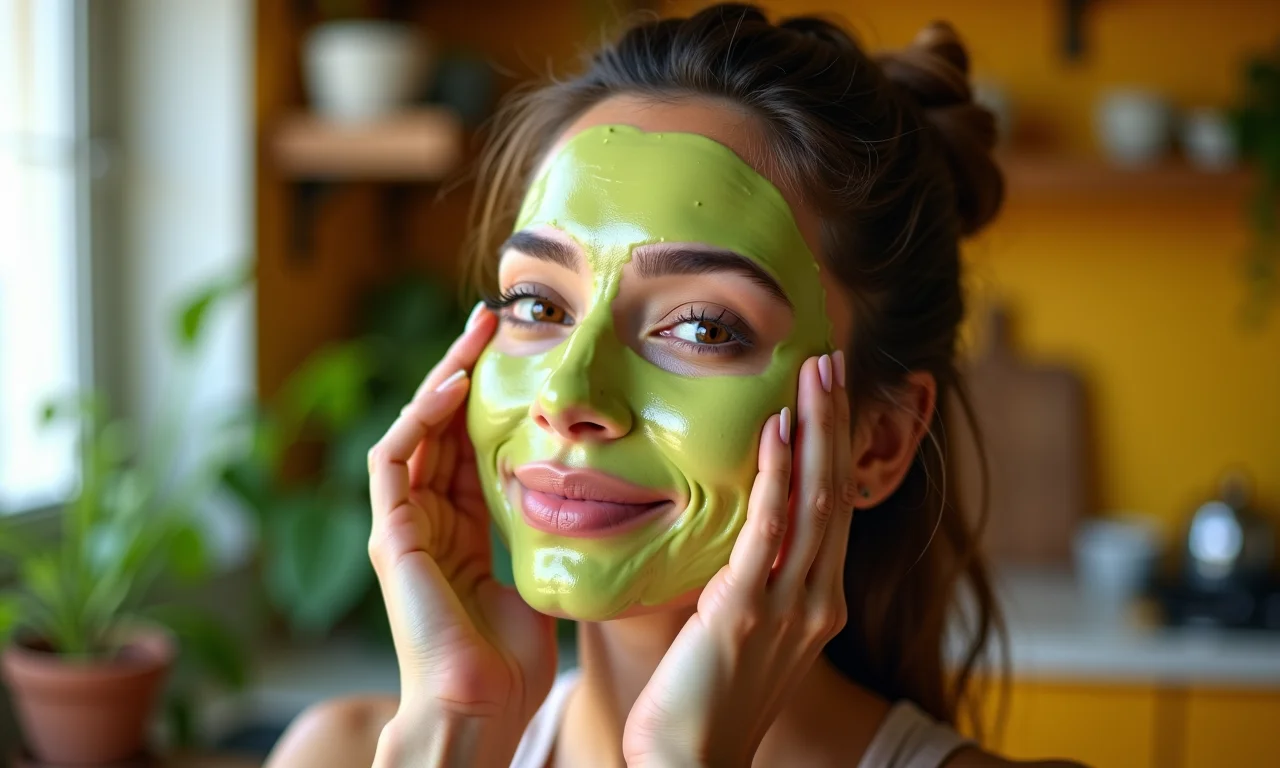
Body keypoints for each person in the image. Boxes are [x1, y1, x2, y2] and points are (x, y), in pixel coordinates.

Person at [264, 5, 1085, 767]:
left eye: (702, 327)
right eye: (537, 303)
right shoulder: (346, 752)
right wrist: (458, 727)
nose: (568, 395)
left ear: (878, 442)